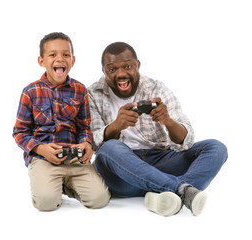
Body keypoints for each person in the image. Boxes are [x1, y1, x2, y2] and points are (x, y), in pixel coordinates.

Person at [88, 42, 228, 216]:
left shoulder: (156, 88)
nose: (121, 74)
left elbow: (187, 139)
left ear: (138, 65)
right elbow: (92, 144)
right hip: (120, 172)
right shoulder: (92, 94)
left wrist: (167, 121)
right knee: (108, 148)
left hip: (160, 160)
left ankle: (162, 194)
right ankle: (181, 189)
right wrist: (116, 126)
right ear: (104, 71)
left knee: (216, 148)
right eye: (112, 69)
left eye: (127, 66)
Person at [13, 32, 110, 211]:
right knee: (46, 203)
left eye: (66, 54)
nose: (60, 59)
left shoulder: (80, 90)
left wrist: (87, 144)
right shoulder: (30, 91)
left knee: (100, 199)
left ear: (73, 60)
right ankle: (49, 183)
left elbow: (84, 127)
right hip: (43, 158)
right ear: (41, 61)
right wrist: (40, 148)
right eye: (53, 55)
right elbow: (19, 133)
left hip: (74, 158)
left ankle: (63, 185)